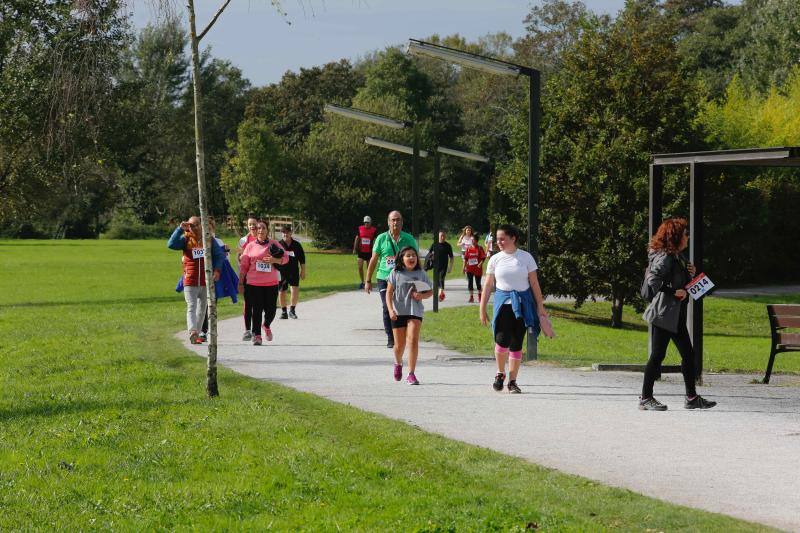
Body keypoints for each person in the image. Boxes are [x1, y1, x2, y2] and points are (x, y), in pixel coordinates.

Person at [640, 217, 716, 411]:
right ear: (675, 236)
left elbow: (681, 281)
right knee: (657, 356)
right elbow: (653, 279)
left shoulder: (677, 256)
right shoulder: (666, 256)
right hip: (664, 315)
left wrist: (691, 273)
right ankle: (645, 398)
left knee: (688, 355)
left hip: (675, 316)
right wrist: (672, 291)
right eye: (684, 233)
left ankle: (691, 397)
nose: (687, 236)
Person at [479, 224, 549, 394]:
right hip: (503, 304)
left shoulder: (526, 258)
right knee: (502, 340)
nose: (499, 242)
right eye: (497, 239)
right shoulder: (495, 259)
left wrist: (540, 307)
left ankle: (512, 381)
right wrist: (482, 308)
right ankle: (500, 373)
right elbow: (488, 284)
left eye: (502, 238)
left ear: (513, 238)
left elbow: (534, 283)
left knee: (516, 343)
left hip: (523, 304)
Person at [167, 216, 224, 345]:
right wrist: (179, 229)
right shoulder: (185, 239)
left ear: (202, 225)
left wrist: (217, 270)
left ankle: (197, 334)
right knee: (192, 306)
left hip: (206, 280)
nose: (194, 227)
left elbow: (219, 255)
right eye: (191, 225)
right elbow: (171, 244)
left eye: (196, 224)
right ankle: (192, 331)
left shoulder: (208, 239)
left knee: (202, 308)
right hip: (190, 279)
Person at [365, 211, 418, 349]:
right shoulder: (381, 239)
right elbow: (374, 260)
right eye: (393, 220)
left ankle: (402, 334)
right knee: (386, 306)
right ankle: (390, 337)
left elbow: (416, 260)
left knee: (403, 307)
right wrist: (368, 280)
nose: (395, 223)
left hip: (403, 278)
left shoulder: (409, 239)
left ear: (402, 222)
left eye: (398, 220)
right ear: (388, 222)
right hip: (384, 277)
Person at [386, 246, 433, 385]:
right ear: (402, 258)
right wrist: (390, 310)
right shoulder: (395, 273)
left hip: (415, 311)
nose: (411, 258)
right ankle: (398, 362)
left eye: (413, 255)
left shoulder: (421, 273)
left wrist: (421, 295)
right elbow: (389, 293)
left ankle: (411, 374)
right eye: (408, 255)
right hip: (398, 311)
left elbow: (430, 292)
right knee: (399, 345)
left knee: (412, 340)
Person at [238, 221, 289, 345]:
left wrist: (274, 260)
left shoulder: (274, 244)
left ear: (267, 230)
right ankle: (257, 336)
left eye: (263, 228)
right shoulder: (250, 246)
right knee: (256, 310)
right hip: (253, 283)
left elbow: (286, 258)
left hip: (271, 283)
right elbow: (244, 266)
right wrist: (240, 282)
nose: (260, 230)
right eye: (258, 228)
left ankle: (266, 325)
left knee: (271, 310)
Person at [278, 225, 306, 319]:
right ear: (281, 234)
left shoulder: (297, 245)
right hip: (281, 272)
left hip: (293, 271)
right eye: (283, 232)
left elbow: (302, 259)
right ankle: (284, 312)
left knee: (294, 289)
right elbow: (273, 259)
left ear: (291, 233)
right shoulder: (278, 244)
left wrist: (303, 271)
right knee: (282, 291)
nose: (285, 234)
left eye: (287, 232)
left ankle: (292, 310)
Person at [238, 217, 259, 341]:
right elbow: (238, 257)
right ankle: (247, 330)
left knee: (258, 304)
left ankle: (256, 331)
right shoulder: (243, 241)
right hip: (247, 275)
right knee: (248, 303)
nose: (252, 227)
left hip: (260, 276)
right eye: (250, 224)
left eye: (254, 224)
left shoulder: (262, 239)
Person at [427, 230, 454, 301]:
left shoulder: (448, 245)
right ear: (438, 236)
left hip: (444, 266)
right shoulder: (434, 244)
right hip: (435, 265)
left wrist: (450, 267)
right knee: (436, 280)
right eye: (441, 236)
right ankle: (440, 292)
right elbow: (429, 254)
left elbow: (451, 257)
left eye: (444, 236)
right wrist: (431, 257)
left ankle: (441, 293)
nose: (443, 237)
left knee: (441, 278)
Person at [354, 216, 378, 289]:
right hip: (361, 251)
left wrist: (375, 250)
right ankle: (362, 282)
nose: (366, 224)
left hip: (369, 251)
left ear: (370, 222)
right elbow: (357, 238)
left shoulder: (374, 230)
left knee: (369, 268)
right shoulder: (360, 228)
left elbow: (375, 240)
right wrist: (355, 248)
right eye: (365, 222)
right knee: (360, 267)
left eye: (368, 222)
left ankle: (368, 281)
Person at [463, 233, 487, 303]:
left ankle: (480, 296)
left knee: (478, 283)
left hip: (477, 269)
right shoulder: (468, 248)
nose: (472, 241)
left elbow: (483, 258)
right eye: (471, 240)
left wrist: (480, 264)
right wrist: (464, 267)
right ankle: (471, 297)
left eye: (473, 240)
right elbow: (466, 259)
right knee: (470, 283)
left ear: (476, 241)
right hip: (469, 269)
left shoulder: (480, 248)